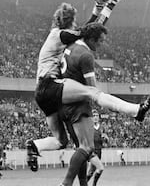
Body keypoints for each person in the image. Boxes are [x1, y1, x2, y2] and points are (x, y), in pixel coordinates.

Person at [27, 0, 150, 171]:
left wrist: (98, 10)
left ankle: (34, 146)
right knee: (91, 92)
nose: (76, 26)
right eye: (74, 23)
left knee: (61, 141)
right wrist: (106, 8)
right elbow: (86, 32)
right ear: (69, 22)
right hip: (50, 86)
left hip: (42, 95)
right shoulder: (59, 34)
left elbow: (85, 30)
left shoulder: (59, 36)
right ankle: (135, 111)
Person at [58, 23, 108, 186]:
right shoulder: (86, 55)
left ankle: (83, 184)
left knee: (80, 147)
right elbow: (92, 88)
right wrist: (105, 103)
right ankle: (66, 183)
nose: (101, 45)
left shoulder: (71, 46)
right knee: (87, 147)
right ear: (92, 39)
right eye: (100, 41)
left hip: (63, 101)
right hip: (78, 104)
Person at [86, 109, 108, 186]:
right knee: (100, 168)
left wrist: (105, 139)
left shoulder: (102, 128)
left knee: (91, 172)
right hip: (92, 151)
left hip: (99, 151)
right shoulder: (88, 127)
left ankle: (84, 184)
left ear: (99, 117)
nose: (95, 117)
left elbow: (105, 143)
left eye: (96, 116)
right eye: (93, 116)